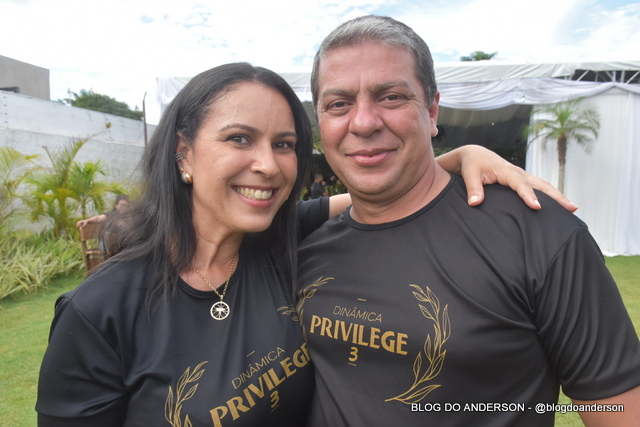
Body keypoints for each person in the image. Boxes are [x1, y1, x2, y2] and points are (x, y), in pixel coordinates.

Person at [37, 62, 573, 425]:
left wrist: (462, 156)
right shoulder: (99, 313)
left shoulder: (277, 242)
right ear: (183, 152)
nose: (268, 166)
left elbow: (384, 191)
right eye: (239, 138)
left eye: (284, 144)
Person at [295, 15, 640, 427]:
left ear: (432, 110)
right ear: (320, 122)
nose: (364, 122)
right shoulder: (301, 244)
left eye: (391, 97)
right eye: (339, 104)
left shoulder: (535, 233)